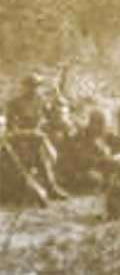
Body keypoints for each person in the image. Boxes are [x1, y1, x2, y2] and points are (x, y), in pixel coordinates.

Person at [4, 73, 69, 202]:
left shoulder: (40, 101)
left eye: (37, 86)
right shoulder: (14, 104)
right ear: (24, 87)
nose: (34, 89)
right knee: (39, 147)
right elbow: (11, 129)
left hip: (37, 139)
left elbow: (52, 117)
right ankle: (51, 187)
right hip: (19, 141)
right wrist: (30, 133)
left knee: (47, 143)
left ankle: (53, 184)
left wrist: (59, 102)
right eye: (31, 86)